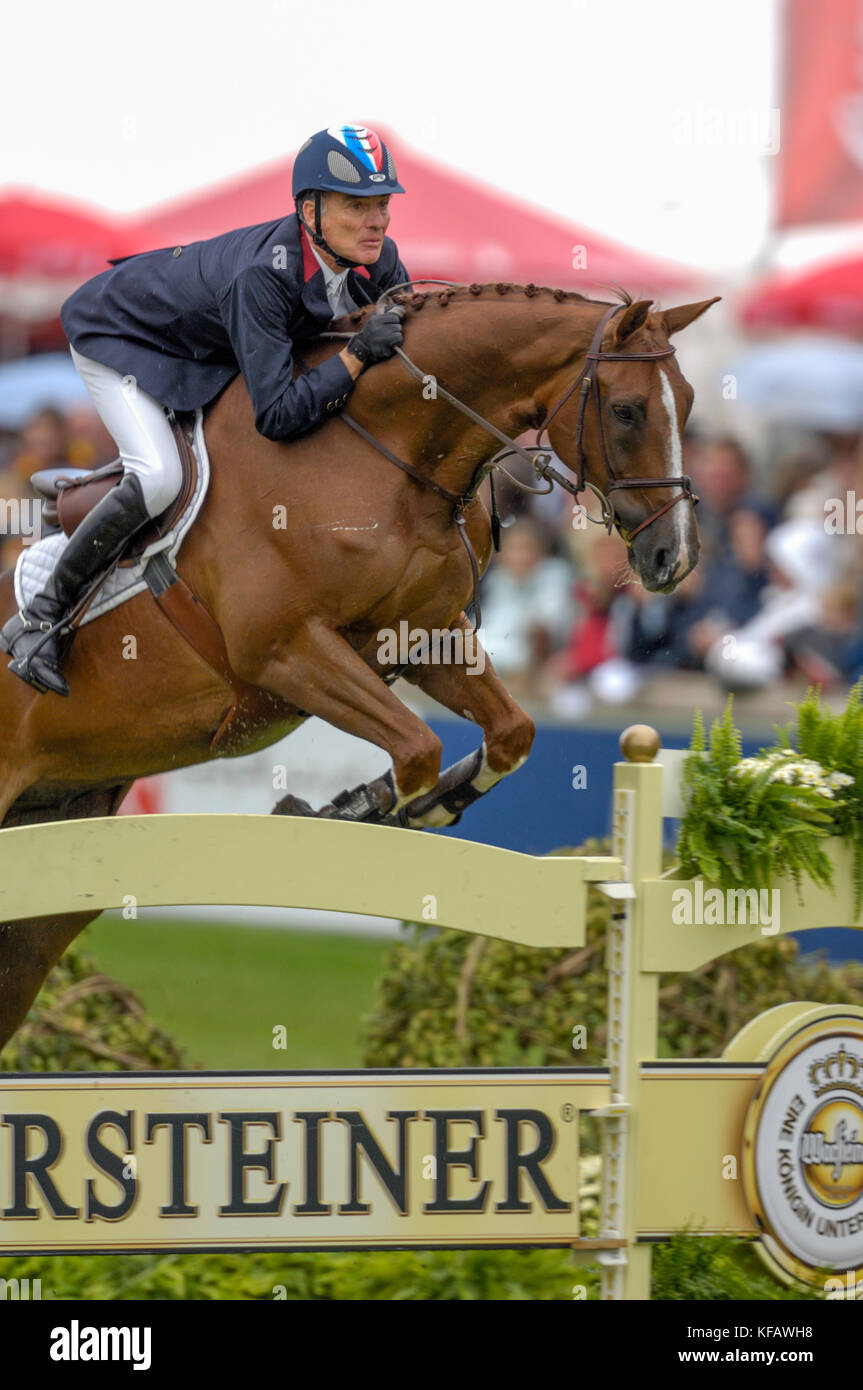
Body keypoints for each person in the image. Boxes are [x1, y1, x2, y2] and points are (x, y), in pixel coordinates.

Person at [1, 123, 410, 697]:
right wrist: (354, 358)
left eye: (383, 204)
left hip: (199, 346)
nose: (377, 220)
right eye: (357, 206)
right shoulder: (262, 278)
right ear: (310, 211)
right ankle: (39, 620)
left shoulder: (379, 260)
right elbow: (278, 416)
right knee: (160, 477)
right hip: (118, 333)